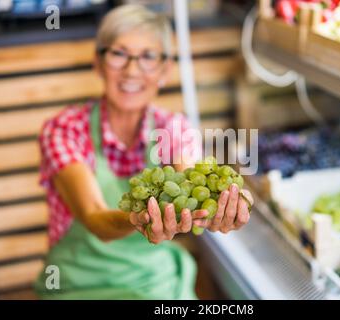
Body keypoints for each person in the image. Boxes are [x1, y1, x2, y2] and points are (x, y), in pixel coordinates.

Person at [34, 4, 252, 300]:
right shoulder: (65, 130)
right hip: (79, 284)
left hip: (155, 283)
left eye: (148, 57)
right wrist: (137, 218)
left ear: (165, 71)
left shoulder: (172, 128)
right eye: (119, 54)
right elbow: (96, 218)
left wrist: (226, 204)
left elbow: (188, 178)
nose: (132, 70)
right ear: (98, 63)